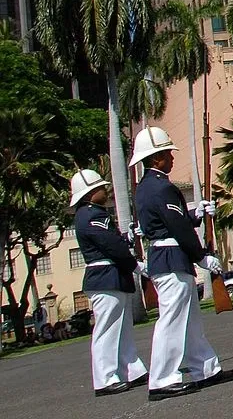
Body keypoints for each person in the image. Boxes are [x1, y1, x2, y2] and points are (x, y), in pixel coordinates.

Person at [131, 127, 223, 401]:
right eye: (168, 153)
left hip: (168, 258)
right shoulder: (162, 188)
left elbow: (175, 220)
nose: (172, 158)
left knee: (191, 319)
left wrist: (197, 213)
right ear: (156, 158)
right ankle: (162, 379)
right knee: (172, 321)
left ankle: (204, 367)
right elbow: (178, 228)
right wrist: (201, 255)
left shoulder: (147, 187)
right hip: (172, 259)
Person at [71, 169, 148, 396]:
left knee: (122, 328)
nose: (104, 190)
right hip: (105, 276)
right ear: (89, 193)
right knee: (107, 330)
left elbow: (112, 241)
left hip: (111, 275)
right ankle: (105, 378)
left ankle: (132, 369)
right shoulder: (91, 215)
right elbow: (110, 245)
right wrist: (134, 264)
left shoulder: (93, 213)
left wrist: (126, 238)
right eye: (99, 188)